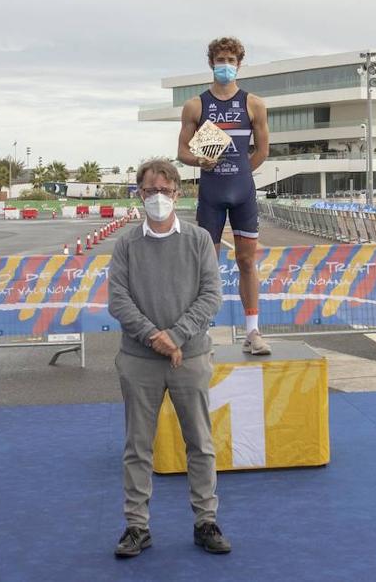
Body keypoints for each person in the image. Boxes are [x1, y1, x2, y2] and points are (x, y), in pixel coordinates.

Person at [107, 159, 230, 558]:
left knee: (200, 443)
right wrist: (153, 337)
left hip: (190, 356)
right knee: (137, 446)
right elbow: (118, 299)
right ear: (139, 193)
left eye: (165, 189)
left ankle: (205, 521)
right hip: (138, 360)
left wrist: (175, 336)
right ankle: (136, 526)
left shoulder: (198, 240)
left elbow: (211, 296)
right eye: (149, 190)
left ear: (179, 192)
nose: (157, 197)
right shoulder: (126, 243)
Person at [177, 36, 272, 355]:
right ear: (211, 64)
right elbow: (182, 152)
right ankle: (201, 331)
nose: (226, 66)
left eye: (231, 61)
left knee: (247, 260)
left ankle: (253, 331)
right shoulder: (196, 105)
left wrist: (242, 172)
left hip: (242, 191)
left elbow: (262, 150)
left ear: (239, 64)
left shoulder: (254, 103)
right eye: (221, 61)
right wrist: (199, 160)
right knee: (207, 264)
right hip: (212, 193)